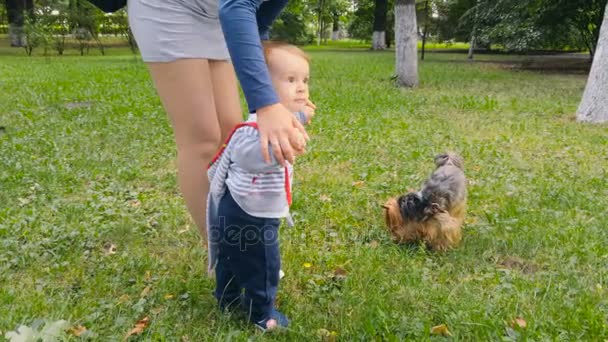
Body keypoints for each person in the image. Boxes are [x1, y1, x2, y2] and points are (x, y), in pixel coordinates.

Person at [127, 0, 310, 247]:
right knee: (202, 139)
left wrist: (280, 95)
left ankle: (241, 236)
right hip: (169, 6)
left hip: (216, 13)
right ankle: (225, 255)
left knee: (231, 136)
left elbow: (258, 24)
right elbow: (237, 6)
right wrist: (265, 105)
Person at [207, 42, 314, 331]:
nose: (302, 88)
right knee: (263, 265)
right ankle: (261, 314)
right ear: (261, 87)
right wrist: (296, 127)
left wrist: (297, 120)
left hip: (240, 208)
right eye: (291, 80)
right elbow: (254, 155)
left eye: (305, 80)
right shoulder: (253, 127)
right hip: (250, 214)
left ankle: (226, 299)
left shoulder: (273, 124)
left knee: (232, 256)